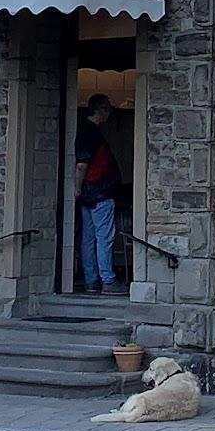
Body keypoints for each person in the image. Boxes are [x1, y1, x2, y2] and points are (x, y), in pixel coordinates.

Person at [75, 93, 122, 294]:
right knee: (104, 237)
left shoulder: (83, 130)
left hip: (88, 194)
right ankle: (108, 280)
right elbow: (82, 164)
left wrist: (79, 189)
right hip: (100, 192)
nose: (109, 113)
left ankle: (91, 280)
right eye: (108, 108)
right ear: (100, 109)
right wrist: (77, 187)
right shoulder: (92, 133)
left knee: (88, 237)